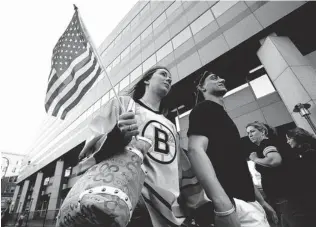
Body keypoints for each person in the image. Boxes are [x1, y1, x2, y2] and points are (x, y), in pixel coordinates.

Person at [78, 66, 209, 227]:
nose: (168, 79)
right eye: (163, 74)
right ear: (147, 79)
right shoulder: (125, 105)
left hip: (168, 213)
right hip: (130, 206)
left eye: (170, 78)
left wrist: (199, 205)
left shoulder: (170, 125)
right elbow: (91, 148)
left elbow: (181, 167)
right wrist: (116, 137)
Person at [187, 71, 278, 227]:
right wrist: (222, 203)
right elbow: (195, 151)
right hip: (232, 204)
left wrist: (261, 202)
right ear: (201, 87)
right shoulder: (204, 109)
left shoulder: (222, 115)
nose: (222, 79)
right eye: (214, 78)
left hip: (248, 203)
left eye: (221, 76)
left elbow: (239, 166)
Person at [246, 122, 288, 226]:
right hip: (278, 196)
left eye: (252, 131)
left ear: (263, 131)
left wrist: (255, 159)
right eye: (248, 133)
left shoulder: (266, 144)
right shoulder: (263, 146)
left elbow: (275, 160)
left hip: (282, 195)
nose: (250, 135)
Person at [282, 127, 316, 227]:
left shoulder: (309, 154)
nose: (287, 142)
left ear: (296, 137)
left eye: (289, 138)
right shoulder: (304, 153)